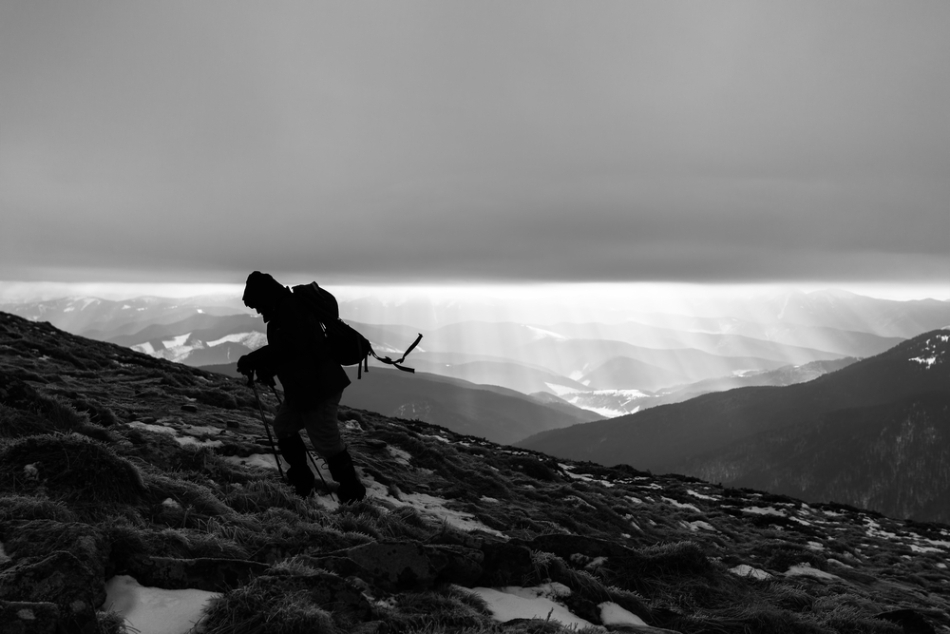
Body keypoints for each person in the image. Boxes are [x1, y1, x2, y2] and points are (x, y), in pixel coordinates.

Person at [236, 271, 366, 503]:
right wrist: (267, 369)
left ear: (264, 296)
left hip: (319, 388)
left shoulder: (290, 310)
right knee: (284, 426)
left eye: (256, 304)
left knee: (327, 442)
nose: (256, 310)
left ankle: (354, 496)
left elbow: (290, 347)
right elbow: (291, 352)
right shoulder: (281, 310)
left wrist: (254, 360)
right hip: (303, 389)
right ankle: (301, 484)